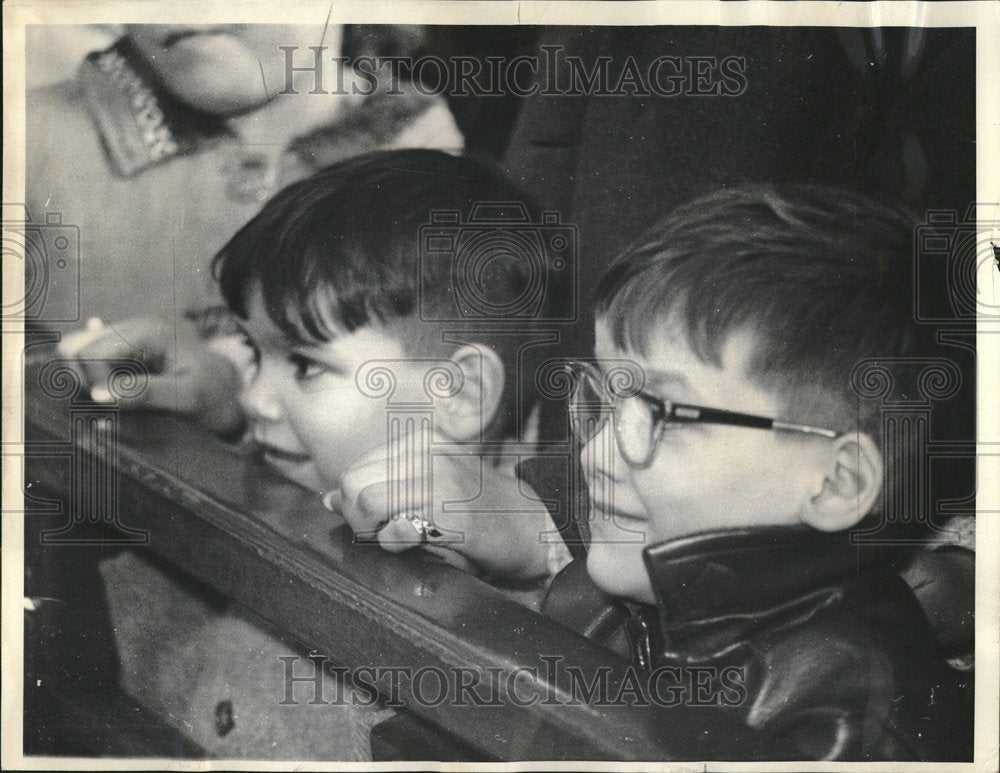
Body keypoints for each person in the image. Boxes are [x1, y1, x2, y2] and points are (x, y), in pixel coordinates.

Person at [66, 149, 570, 757]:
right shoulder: (304, 463)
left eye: (304, 365)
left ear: (455, 393)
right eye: (257, 355)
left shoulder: (538, 611)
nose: (256, 398)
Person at [534, 185, 973, 761]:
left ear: (836, 483)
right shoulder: (591, 607)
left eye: (662, 416)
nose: (595, 456)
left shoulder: (842, 723)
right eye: (606, 397)